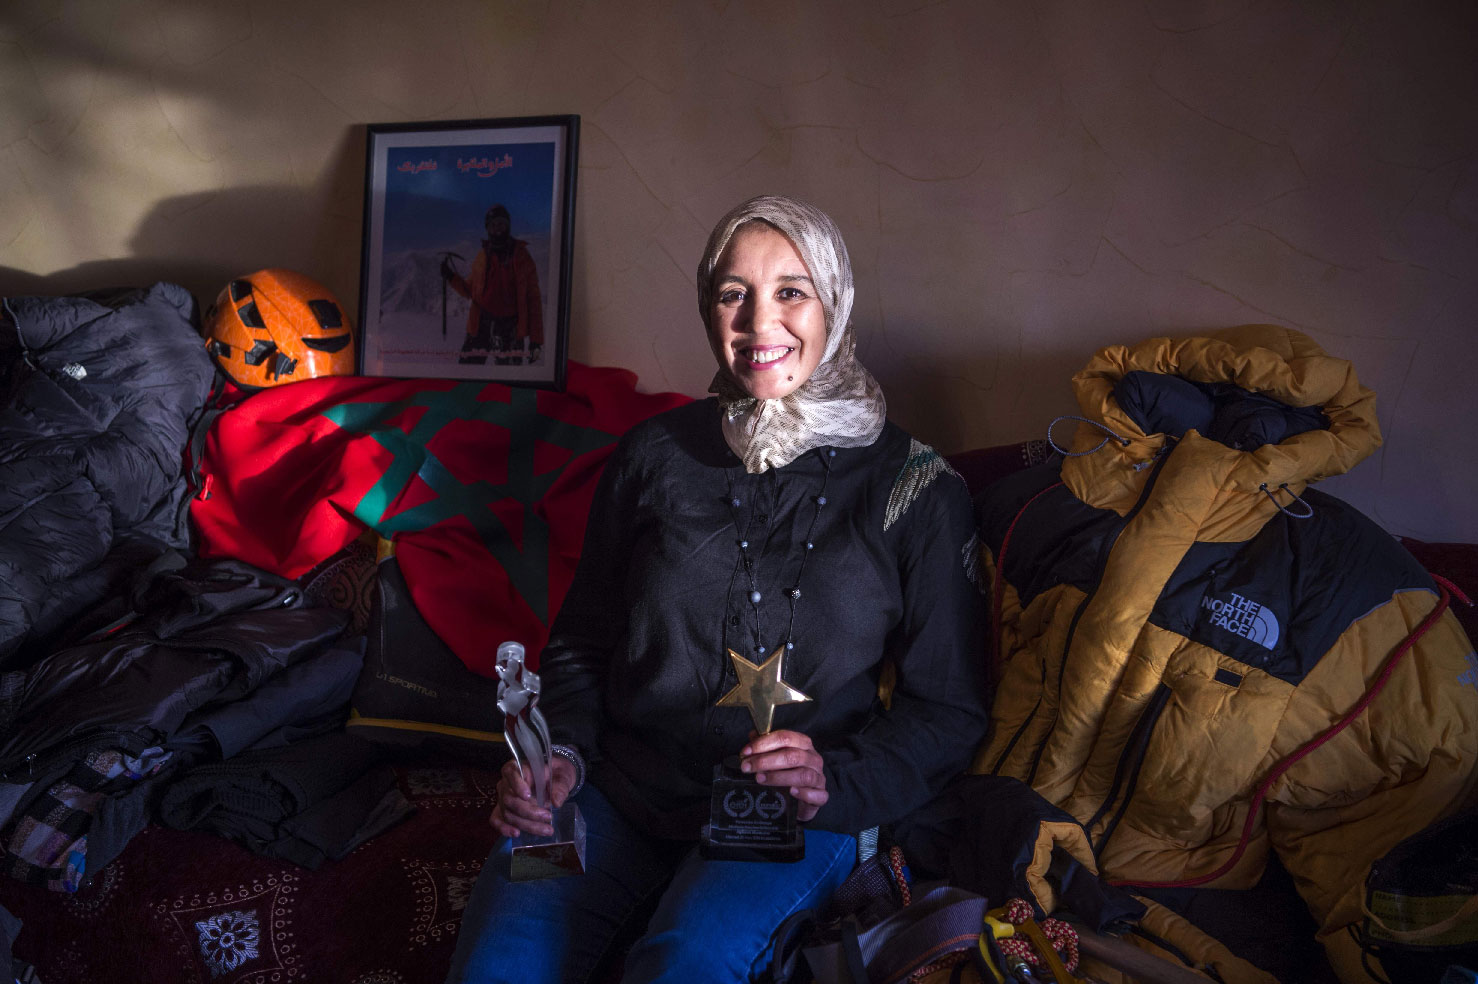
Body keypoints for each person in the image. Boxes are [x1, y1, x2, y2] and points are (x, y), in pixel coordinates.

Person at [445, 195, 991, 984]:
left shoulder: (915, 487)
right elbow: (581, 645)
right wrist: (559, 754)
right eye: (733, 293)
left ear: (834, 303)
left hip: (799, 815)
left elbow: (949, 711)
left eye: (791, 292)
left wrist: (832, 780)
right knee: (499, 961)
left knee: (685, 964)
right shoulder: (651, 457)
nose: (759, 323)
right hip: (623, 793)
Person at [441, 203, 544, 365]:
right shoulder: (483, 256)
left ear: (508, 226)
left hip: (511, 328)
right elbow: (470, 290)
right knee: (468, 372)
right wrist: (451, 277)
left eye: (501, 224)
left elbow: (533, 300)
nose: (497, 229)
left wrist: (536, 340)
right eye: (493, 225)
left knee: (508, 381)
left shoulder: (521, 256)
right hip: (481, 322)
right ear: (487, 229)